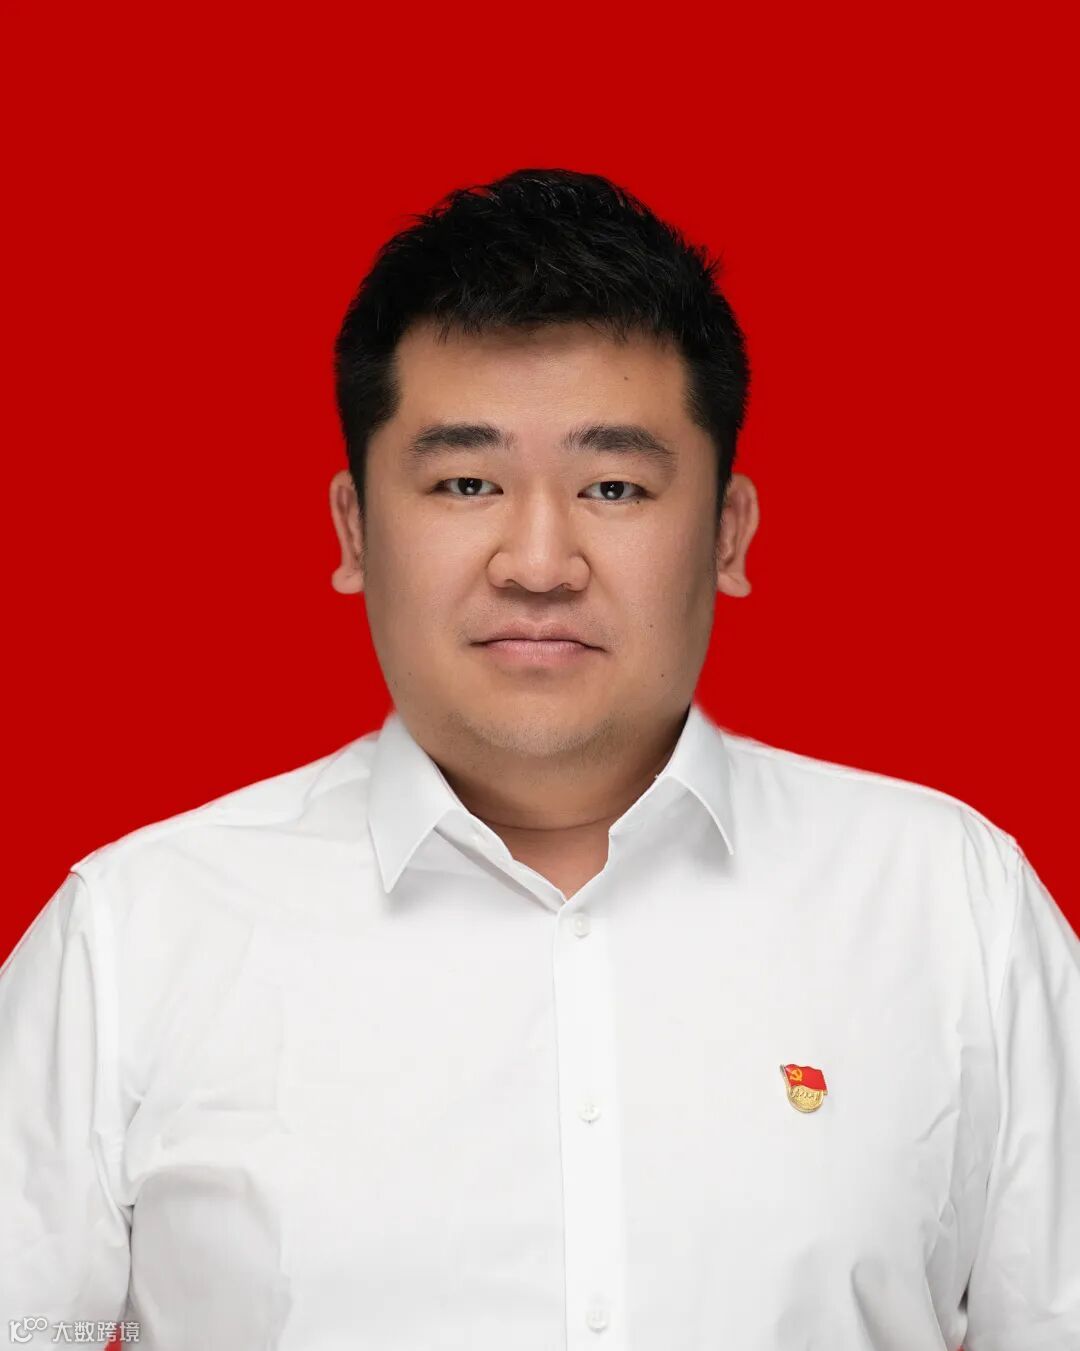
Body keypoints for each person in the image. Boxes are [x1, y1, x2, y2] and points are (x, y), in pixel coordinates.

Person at [1, 167, 1077, 1351]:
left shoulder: (948, 905)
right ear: (355, 528)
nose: (538, 562)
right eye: (466, 483)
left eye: (614, 485)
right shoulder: (139, 933)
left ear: (728, 533)